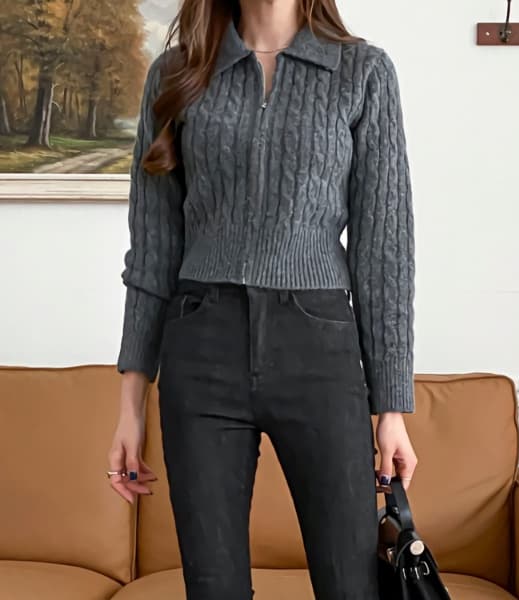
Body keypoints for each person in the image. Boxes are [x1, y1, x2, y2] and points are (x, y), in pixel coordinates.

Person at [107, 0, 417, 598]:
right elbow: (152, 251)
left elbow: (385, 251)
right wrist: (130, 405)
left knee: (352, 585)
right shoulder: (176, 73)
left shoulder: (364, 73)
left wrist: (392, 409)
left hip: (320, 351)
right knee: (213, 587)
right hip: (202, 348)